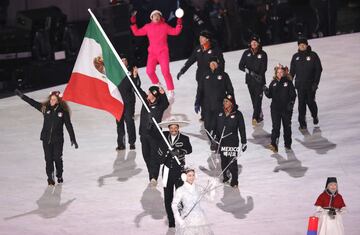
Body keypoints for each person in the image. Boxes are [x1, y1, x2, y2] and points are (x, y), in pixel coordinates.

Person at [14, 89, 78, 186]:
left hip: (58, 140)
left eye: (54, 99)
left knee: (57, 158)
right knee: (48, 159)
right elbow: (33, 103)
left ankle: (59, 174)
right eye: (51, 99)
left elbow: (69, 125)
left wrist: (73, 138)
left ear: (58, 101)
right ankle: (50, 177)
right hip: (46, 139)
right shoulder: (45, 108)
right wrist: (22, 96)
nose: (52, 101)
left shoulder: (63, 112)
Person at [130, 10, 183, 96]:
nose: (156, 16)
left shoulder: (164, 26)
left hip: (163, 52)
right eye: (154, 15)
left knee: (165, 71)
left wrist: (179, 21)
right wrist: (133, 21)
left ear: (160, 17)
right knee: (149, 71)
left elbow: (176, 31)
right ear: (151, 18)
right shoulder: (148, 27)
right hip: (152, 53)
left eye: (158, 15)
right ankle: (158, 85)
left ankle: (171, 90)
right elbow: (136, 32)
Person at [177, 30, 224, 120]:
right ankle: (204, 114)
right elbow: (190, 60)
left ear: (207, 39)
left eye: (202, 38)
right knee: (202, 95)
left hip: (212, 76)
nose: (200, 40)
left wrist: (220, 74)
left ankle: (216, 112)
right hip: (200, 77)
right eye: (200, 38)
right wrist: (182, 70)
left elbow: (221, 62)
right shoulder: (198, 49)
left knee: (213, 94)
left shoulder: (215, 50)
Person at [157, 120, 192, 228]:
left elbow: (189, 149)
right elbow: (159, 153)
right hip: (167, 171)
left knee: (180, 196)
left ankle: (182, 218)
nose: (173, 130)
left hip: (179, 171)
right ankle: (171, 221)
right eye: (171, 128)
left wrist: (179, 151)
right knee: (168, 198)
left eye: (175, 128)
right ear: (168, 128)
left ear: (178, 128)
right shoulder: (163, 137)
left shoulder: (184, 138)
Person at [211, 93, 247, 187]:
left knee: (232, 162)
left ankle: (234, 180)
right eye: (224, 101)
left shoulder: (237, 114)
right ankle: (226, 177)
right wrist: (214, 139)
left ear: (232, 103)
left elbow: (242, 128)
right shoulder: (219, 113)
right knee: (224, 161)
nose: (225, 103)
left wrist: (244, 142)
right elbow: (214, 127)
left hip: (233, 142)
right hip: (222, 142)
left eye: (227, 101)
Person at [138, 85, 169, 186]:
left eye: (150, 93)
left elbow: (166, 103)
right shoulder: (145, 102)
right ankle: (151, 173)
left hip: (155, 135)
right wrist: (133, 77)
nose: (148, 94)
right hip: (144, 134)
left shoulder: (160, 106)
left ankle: (153, 177)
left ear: (154, 95)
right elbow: (138, 90)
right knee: (146, 155)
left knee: (154, 157)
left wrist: (163, 93)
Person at [195, 57, 234, 137]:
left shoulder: (224, 75)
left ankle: (216, 141)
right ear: (209, 64)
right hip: (207, 105)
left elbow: (230, 90)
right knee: (208, 125)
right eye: (211, 63)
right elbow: (200, 90)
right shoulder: (204, 75)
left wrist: (231, 103)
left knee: (218, 125)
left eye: (214, 63)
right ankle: (212, 140)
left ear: (217, 64)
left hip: (220, 105)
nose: (213, 64)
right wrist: (197, 102)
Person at [290, 36, 322, 130]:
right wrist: (288, 80)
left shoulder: (313, 55)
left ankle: (314, 115)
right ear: (298, 46)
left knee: (310, 102)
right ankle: (302, 123)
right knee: (301, 104)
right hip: (300, 85)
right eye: (300, 45)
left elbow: (318, 70)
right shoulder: (295, 57)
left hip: (310, 85)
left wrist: (316, 83)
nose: (302, 46)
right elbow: (292, 72)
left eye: (303, 44)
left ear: (307, 45)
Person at [171, 167, 215, 235]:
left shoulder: (199, 188)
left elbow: (211, 199)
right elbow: (174, 205)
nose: (192, 177)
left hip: (200, 220)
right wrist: (179, 220)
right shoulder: (180, 190)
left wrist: (213, 187)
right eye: (189, 175)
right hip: (188, 220)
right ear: (184, 177)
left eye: (193, 175)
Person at [264, 64, 296, 153]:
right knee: (276, 127)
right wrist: (266, 91)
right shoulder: (273, 83)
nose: (279, 74)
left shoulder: (288, 82)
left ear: (284, 73)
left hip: (286, 109)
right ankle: (274, 144)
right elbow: (269, 95)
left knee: (287, 127)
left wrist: (291, 104)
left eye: (281, 72)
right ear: (276, 73)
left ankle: (288, 144)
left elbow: (293, 95)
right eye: (278, 72)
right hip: (275, 109)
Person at [238, 35, 268, 126]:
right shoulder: (246, 53)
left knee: (258, 99)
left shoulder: (263, 54)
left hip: (259, 81)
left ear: (258, 43)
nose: (254, 43)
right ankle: (259, 113)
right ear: (250, 43)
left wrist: (257, 75)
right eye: (252, 42)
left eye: (255, 42)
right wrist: (249, 72)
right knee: (253, 100)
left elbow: (264, 68)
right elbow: (241, 66)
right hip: (249, 81)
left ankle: (255, 117)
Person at [116, 54, 141, 151]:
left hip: (129, 102)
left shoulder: (131, 71)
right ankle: (121, 144)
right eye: (122, 60)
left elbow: (137, 85)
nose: (124, 62)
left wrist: (135, 76)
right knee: (119, 123)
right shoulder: (115, 72)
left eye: (125, 60)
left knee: (129, 122)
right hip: (118, 102)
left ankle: (132, 142)